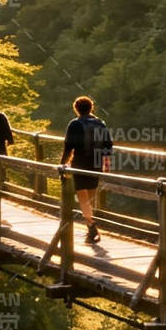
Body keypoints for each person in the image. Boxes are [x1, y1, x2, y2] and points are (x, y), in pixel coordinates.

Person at [61, 95, 112, 243]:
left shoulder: (75, 124)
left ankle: (91, 226)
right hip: (96, 163)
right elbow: (108, 144)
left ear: (76, 109)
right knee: (89, 196)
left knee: (82, 198)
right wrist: (106, 163)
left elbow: (68, 147)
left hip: (80, 163)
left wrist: (62, 164)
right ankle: (90, 225)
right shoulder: (100, 123)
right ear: (91, 108)